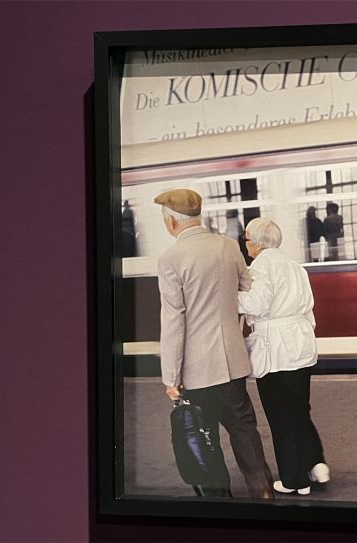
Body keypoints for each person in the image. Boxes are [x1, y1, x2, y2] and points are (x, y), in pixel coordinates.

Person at [154, 188, 274, 499]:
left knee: (205, 437)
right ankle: (263, 495)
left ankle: (220, 505)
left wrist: (171, 377)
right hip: (232, 363)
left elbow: (173, 321)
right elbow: (246, 290)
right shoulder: (228, 246)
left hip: (197, 371)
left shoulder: (170, 259)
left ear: (171, 222)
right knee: (245, 432)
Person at [238, 218, 330, 496]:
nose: (246, 244)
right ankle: (316, 464)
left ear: (255, 242)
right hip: (300, 342)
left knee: (280, 416)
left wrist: (229, 296)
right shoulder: (294, 266)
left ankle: (294, 480)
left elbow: (258, 303)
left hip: (275, 347)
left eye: (246, 239)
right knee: (299, 409)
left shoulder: (260, 267)